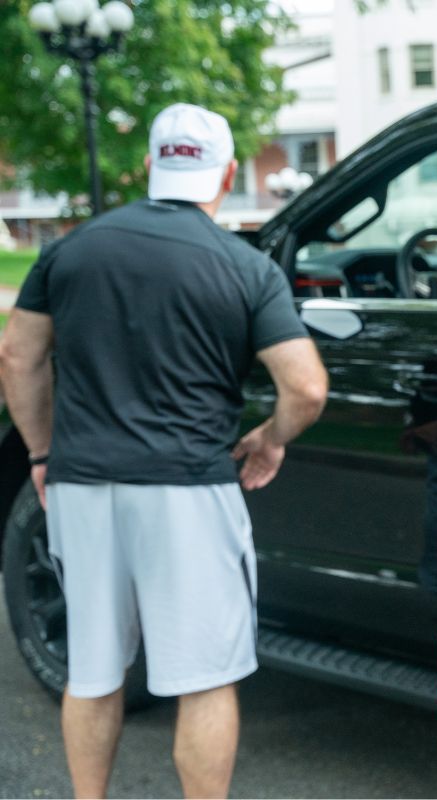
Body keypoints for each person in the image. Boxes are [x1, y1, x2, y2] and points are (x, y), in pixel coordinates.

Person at [0, 103, 328, 798]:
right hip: (190, 489)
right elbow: (305, 387)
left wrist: (40, 452)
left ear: (150, 164)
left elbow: (17, 355)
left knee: (91, 669)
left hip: (85, 486)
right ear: (229, 172)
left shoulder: (70, 250)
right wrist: (269, 438)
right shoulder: (243, 266)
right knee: (203, 675)